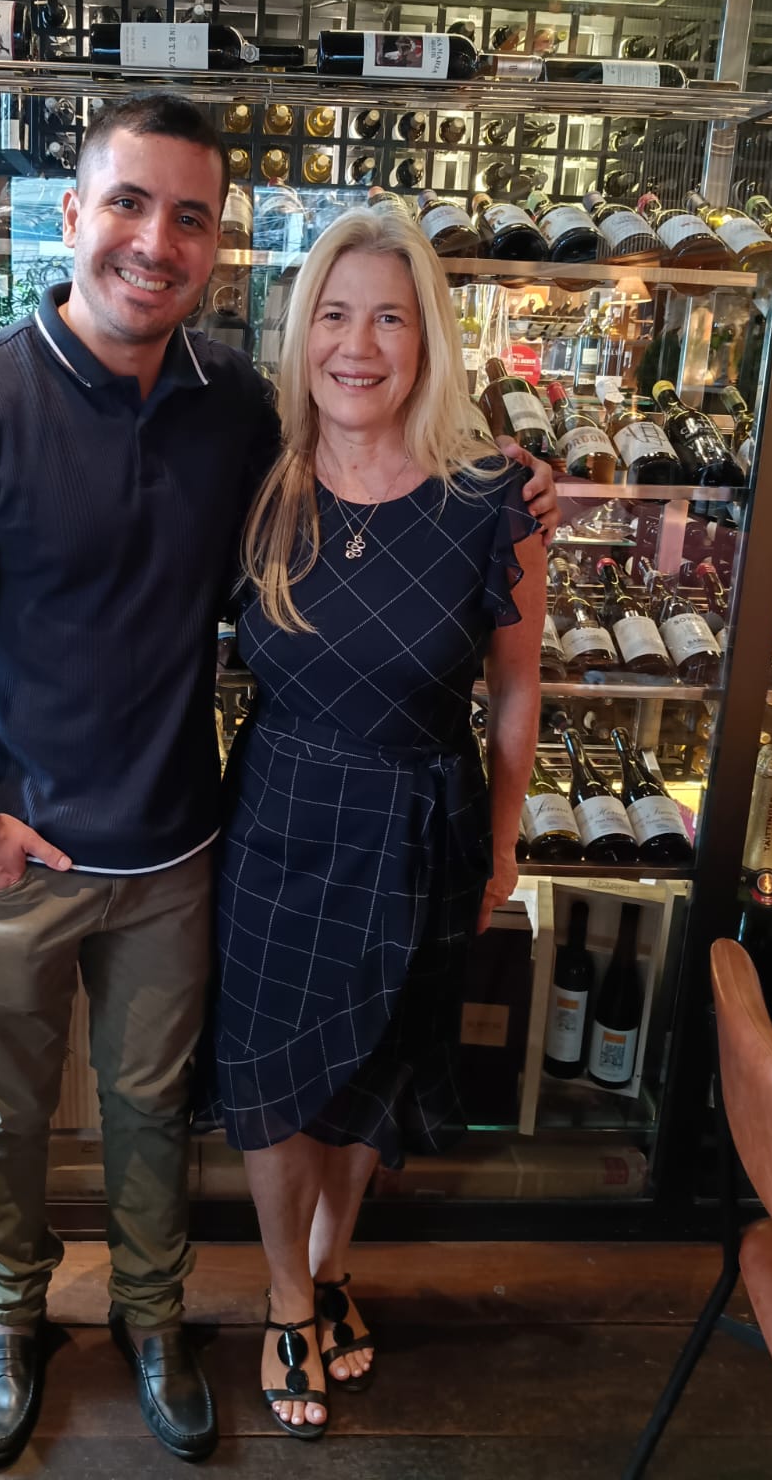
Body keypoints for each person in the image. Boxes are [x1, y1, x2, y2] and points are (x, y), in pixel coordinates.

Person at [0, 91, 558, 1469]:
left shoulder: (236, 406)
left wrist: (512, 474)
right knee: (5, 1105)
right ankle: (9, 1317)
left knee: (154, 1109)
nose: (153, 240)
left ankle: (154, 1316)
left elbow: (381, 460)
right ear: (73, 215)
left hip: (182, 843)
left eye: (189, 217)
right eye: (127, 203)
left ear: (217, 246)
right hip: (20, 844)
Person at [207, 208, 546, 1438]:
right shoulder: (253, 486)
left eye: (389, 318)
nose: (358, 346)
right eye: (335, 316)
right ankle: (288, 1296)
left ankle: (333, 1259)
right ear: (302, 334)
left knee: (375, 1073)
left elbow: (518, 691)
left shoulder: (494, 499)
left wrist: (500, 841)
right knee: (276, 1081)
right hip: (281, 818)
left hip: (420, 821)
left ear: (427, 338)